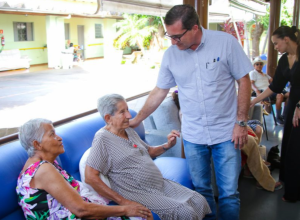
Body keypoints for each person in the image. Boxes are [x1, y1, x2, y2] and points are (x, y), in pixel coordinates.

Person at [130, 4, 252, 220]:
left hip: (226, 132)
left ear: (195, 28)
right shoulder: (171, 55)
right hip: (194, 135)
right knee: (201, 191)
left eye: (177, 36)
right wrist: (137, 119)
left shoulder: (225, 43)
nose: (173, 42)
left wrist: (240, 122)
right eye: (169, 36)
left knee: (229, 194)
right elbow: (160, 90)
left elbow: (244, 80)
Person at [84, 94, 211, 220]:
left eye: (127, 109)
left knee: (198, 200)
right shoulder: (103, 139)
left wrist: (167, 145)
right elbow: (90, 177)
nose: (129, 115)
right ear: (108, 118)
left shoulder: (128, 130)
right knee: (185, 212)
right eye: (122, 112)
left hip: (158, 184)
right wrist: (123, 202)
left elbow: (148, 151)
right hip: (138, 192)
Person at [17, 118, 152, 220]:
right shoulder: (43, 170)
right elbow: (81, 209)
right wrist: (125, 210)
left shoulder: (42, 166)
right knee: (139, 214)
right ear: (37, 144)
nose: (59, 138)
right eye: (52, 135)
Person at [251, 26, 300, 203]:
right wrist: (254, 100)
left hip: (299, 106)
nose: (275, 47)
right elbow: (275, 86)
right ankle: (289, 183)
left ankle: (294, 193)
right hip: (293, 104)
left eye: (276, 43)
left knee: (296, 148)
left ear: (286, 39)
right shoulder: (285, 59)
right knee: (287, 144)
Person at [250, 57, 289, 124]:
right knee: (280, 95)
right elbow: (251, 84)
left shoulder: (265, 74)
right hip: (263, 92)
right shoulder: (253, 73)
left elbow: (274, 82)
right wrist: (257, 91)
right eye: (257, 64)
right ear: (254, 66)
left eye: (261, 64)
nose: (259, 65)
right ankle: (278, 117)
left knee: (289, 94)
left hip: (271, 90)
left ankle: (285, 115)